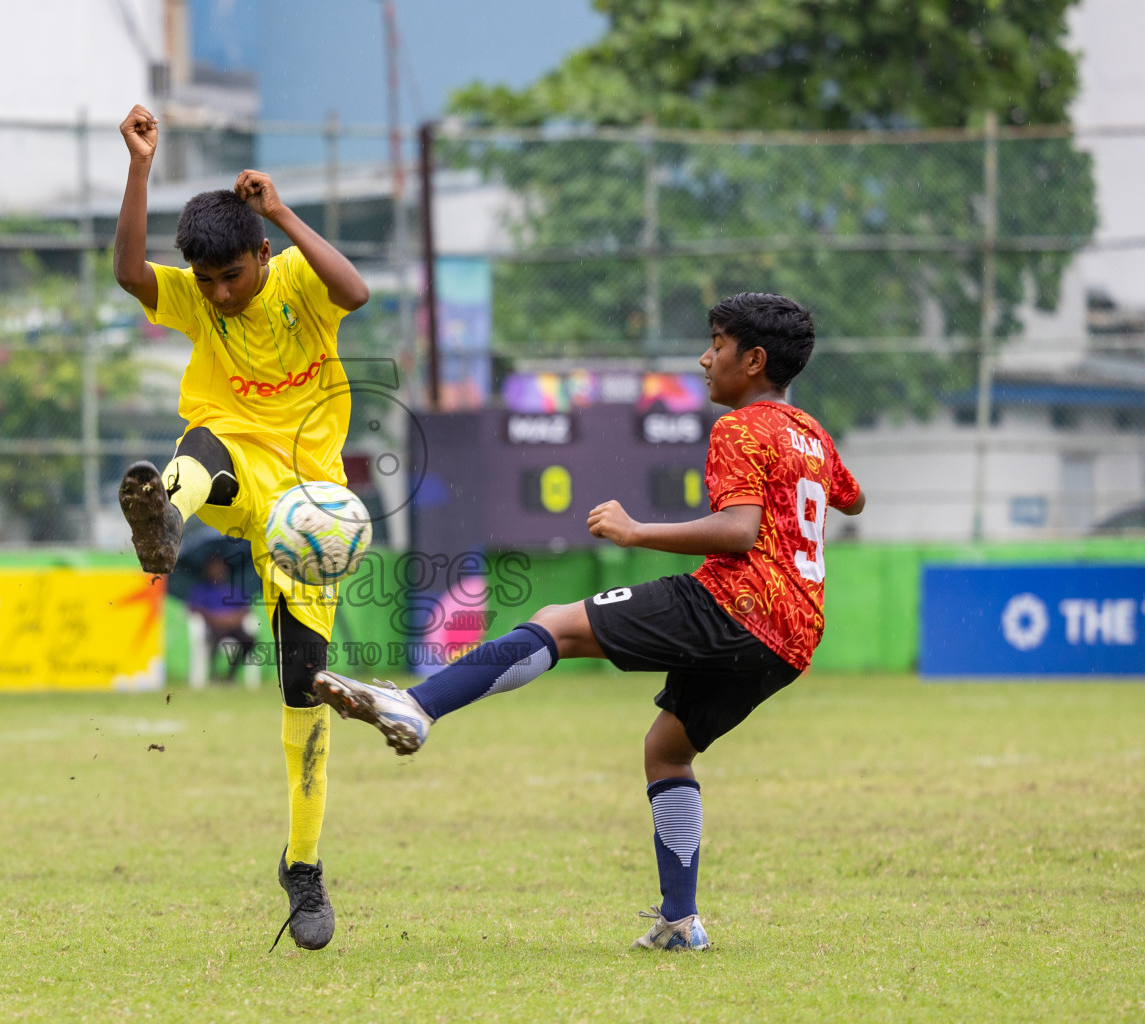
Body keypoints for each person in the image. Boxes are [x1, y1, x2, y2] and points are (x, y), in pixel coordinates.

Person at [314, 292, 866, 953]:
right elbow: (853, 499)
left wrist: (636, 531)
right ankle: (680, 923)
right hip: (794, 637)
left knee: (558, 621)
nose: (704, 357)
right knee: (667, 750)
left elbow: (739, 530)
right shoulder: (812, 434)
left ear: (752, 358)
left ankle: (417, 706)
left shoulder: (739, 428)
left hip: (737, 604)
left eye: (716, 343)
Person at [110, 103, 370, 951]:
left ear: (261, 255)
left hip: (311, 504)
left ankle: (303, 868)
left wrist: (284, 212)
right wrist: (141, 167)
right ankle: (165, 520)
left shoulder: (295, 276)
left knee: (304, 685)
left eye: (233, 275)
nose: (219, 293)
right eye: (207, 281)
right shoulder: (195, 299)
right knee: (201, 450)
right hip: (237, 470)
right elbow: (128, 275)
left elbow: (356, 291)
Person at [186, 555, 257, 683]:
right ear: (207, 569)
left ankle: (231, 675)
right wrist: (215, 618)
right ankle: (214, 675)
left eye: (220, 567)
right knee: (212, 643)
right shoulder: (201, 590)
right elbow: (194, 609)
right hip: (213, 627)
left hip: (233, 626)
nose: (217, 570)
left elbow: (246, 608)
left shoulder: (234, 589)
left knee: (249, 640)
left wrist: (234, 618)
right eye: (214, 567)